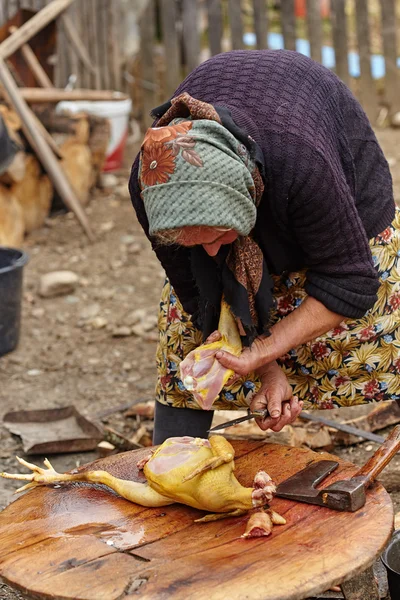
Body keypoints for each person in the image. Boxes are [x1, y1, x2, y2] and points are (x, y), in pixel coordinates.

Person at [129, 49, 399, 445]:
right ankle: (174, 460)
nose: (208, 252)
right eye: (193, 242)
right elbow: (195, 290)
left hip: (328, 184)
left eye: (219, 237)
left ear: (247, 210)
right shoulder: (153, 183)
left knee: (383, 326)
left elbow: (350, 280)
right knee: (188, 328)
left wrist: (264, 347)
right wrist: (267, 367)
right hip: (262, 175)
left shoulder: (304, 164)